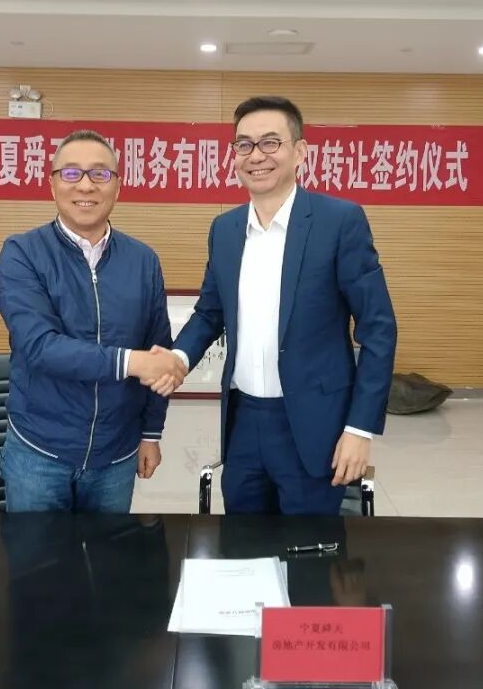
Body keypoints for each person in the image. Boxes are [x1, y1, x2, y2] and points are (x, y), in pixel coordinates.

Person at [165, 96, 397, 515]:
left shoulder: (339, 222)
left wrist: (360, 427)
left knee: (310, 549)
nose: (256, 156)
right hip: (243, 422)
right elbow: (210, 313)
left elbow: (378, 328)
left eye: (271, 142)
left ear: (300, 152)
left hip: (315, 423)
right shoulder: (225, 229)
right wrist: (177, 358)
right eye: (244, 145)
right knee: (243, 543)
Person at [0, 129, 188, 512]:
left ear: (118, 186)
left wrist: (151, 433)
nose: (85, 185)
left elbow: (157, 349)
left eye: (100, 173)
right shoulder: (23, 253)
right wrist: (132, 362)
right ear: (52, 185)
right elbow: (39, 347)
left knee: (107, 551)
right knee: (36, 551)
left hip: (116, 454)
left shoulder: (143, 261)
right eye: (71, 173)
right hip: (39, 451)